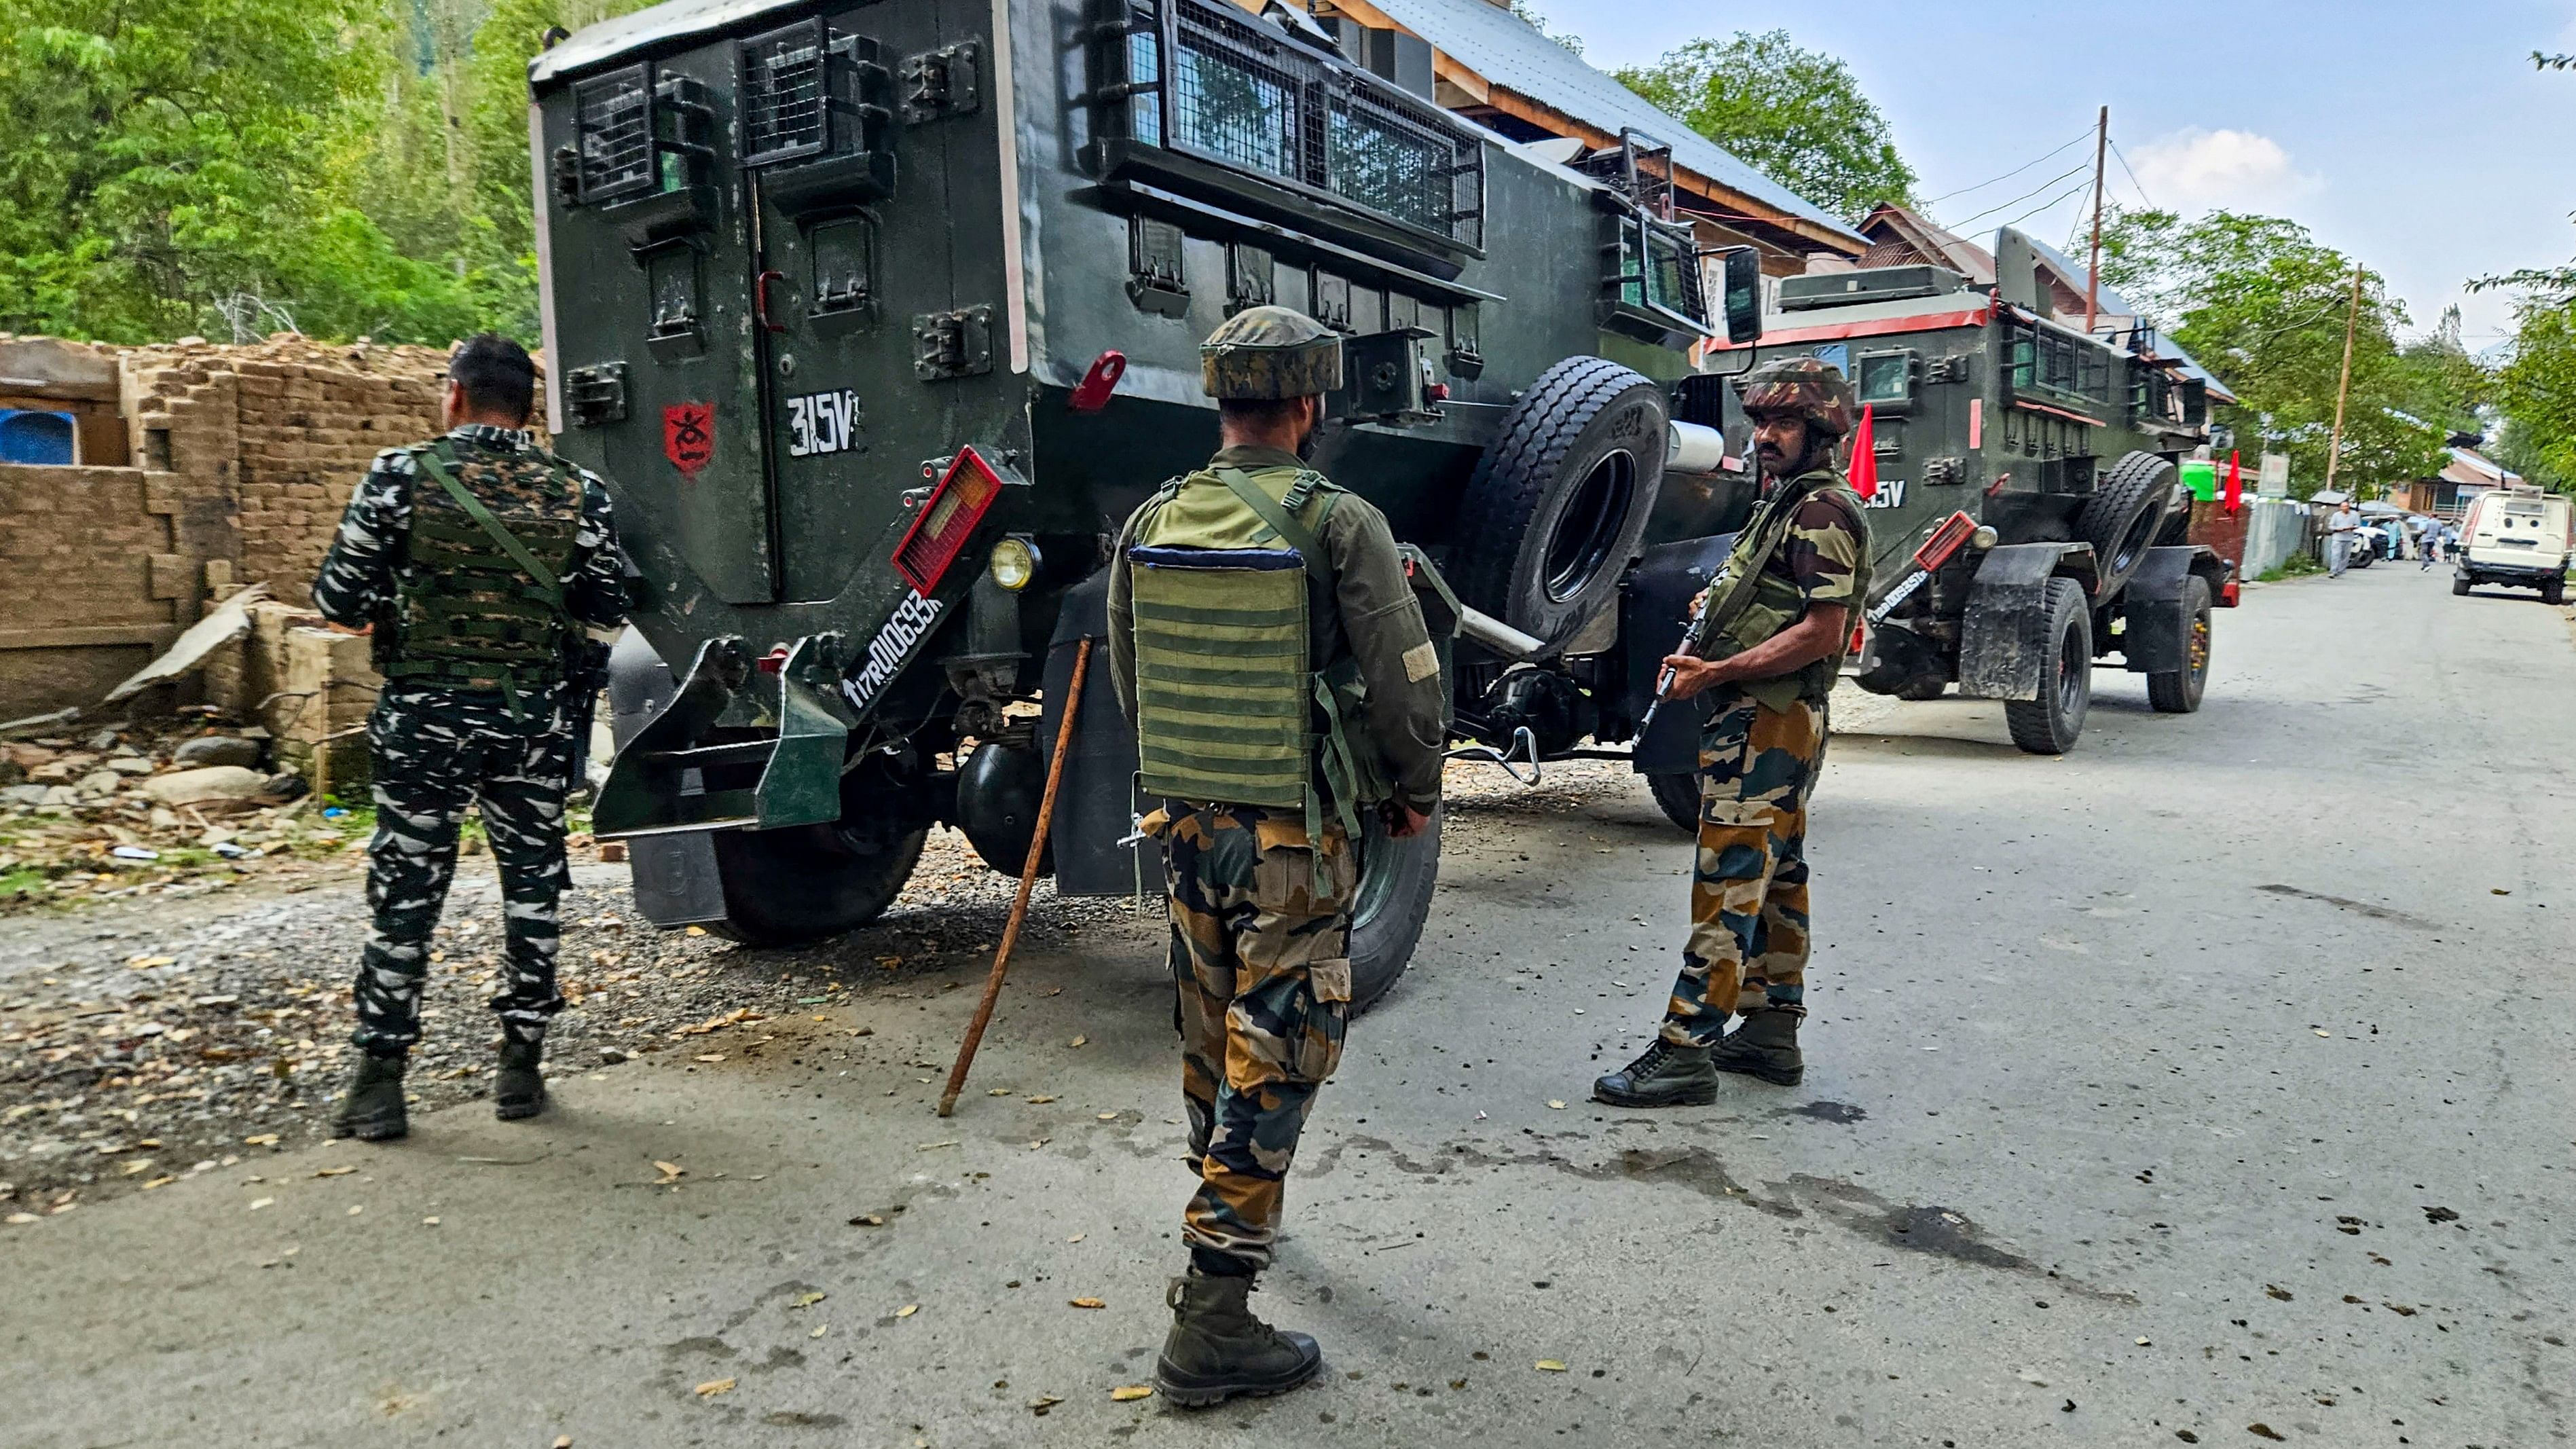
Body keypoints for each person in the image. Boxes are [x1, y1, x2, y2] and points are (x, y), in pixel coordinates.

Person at [1107, 306, 1446, 1406]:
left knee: (1211, 1037)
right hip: (1291, 838)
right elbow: (1404, 678)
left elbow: (1131, 679)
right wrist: (1412, 790)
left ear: (1221, 401)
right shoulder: (1337, 519)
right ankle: (1211, 1318)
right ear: (1307, 403)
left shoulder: (1153, 514)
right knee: (1280, 1049)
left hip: (1187, 826)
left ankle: (1235, 1212)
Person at [312, 335, 627, 1141]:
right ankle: (520, 1070)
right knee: (531, 888)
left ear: (453, 395)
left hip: (424, 721)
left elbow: (339, 602)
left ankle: (379, 1084)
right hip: (531, 722)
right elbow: (605, 601)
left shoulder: (398, 477)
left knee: (406, 895)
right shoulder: (577, 492)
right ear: (529, 410)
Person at [1594, 356, 1871, 1107]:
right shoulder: (1784, 505)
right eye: (1761, 422)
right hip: (1761, 718)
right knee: (1777, 875)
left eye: (1783, 423)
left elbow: (1823, 631)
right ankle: (1771, 1033)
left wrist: (1716, 672)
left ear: (1819, 433)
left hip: (1769, 719)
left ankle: (1685, 1047)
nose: (1766, 436)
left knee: (1727, 883)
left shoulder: (1821, 513)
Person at [2325, 500, 2359, 576]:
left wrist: (2352, 527)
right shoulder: (2336, 515)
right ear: (2341, 508)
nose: (2345, 508)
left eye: (2347, 506)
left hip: (2349, 538)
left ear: (2349, 507)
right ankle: (2333, 571)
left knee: (2345, 556)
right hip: (2338, 537)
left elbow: (2358, 525)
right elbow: (2331, 526)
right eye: (2343, 507)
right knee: (2335, 555)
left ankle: (2341, 571)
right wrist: (2338, 528)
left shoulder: (2354, 515)